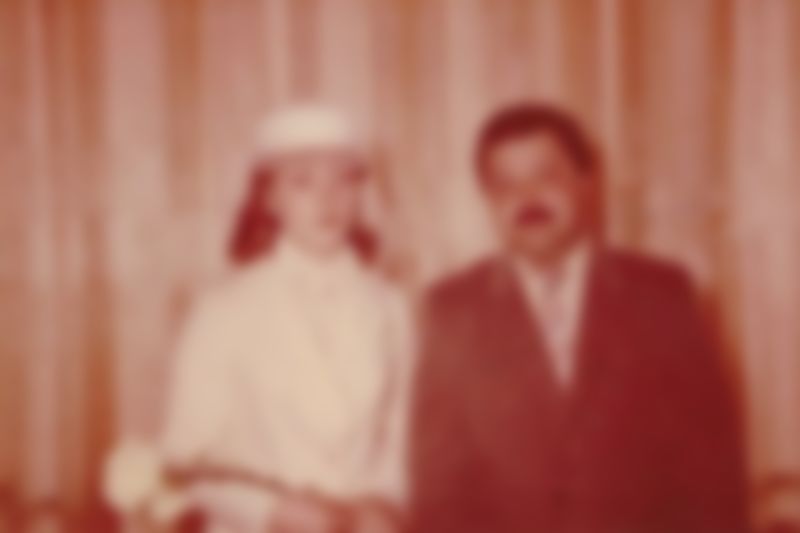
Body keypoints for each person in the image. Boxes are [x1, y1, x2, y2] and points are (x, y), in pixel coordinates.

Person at [409, 103, 752, 533]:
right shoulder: (452, 310)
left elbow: (712, 474)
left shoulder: (663, 296)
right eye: (506, 185)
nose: (527, 199)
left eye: (546, 176)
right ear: (488, 200)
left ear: (586, 181)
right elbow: (438, 493)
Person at [160, 105, 413, 533]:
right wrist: (269, 510)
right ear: (269, 198)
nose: (328, 200)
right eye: (302, 182)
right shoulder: (223, 310)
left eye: (343, 180)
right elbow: (184, 458)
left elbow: (401, 437)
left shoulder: (391, 306)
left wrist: (386, 501)